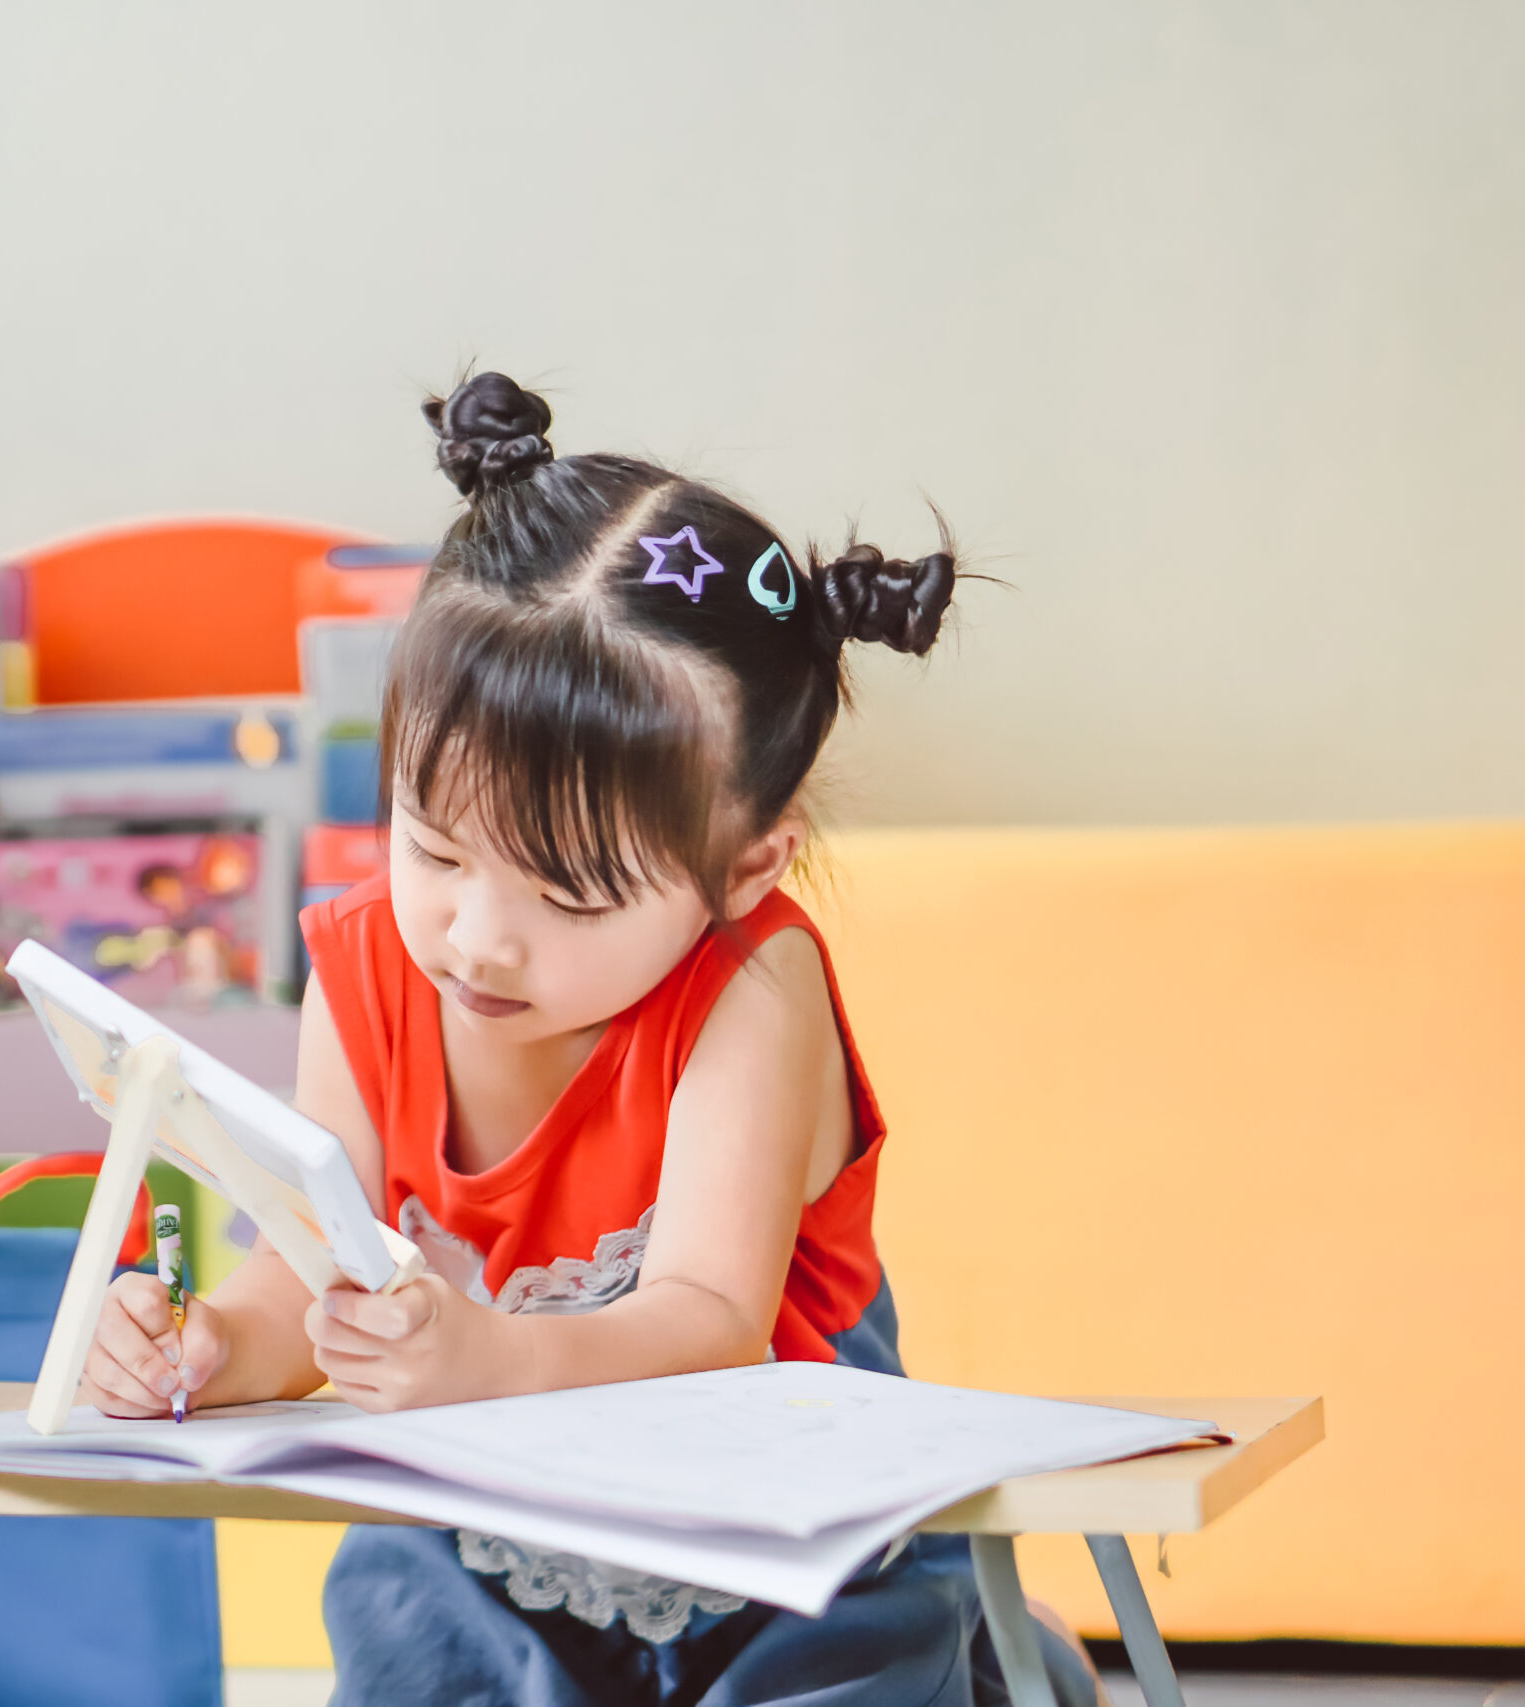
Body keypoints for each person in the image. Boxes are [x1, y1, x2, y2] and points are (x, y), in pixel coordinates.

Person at [78, 372, 1098, 1707]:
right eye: (435, 848)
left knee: (851, 1662)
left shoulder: (756, 982)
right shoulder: (368, 964)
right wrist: (209, 1348)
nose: (478, 939)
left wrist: (486, 1358)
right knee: (397, 1610)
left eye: (570, 894)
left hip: (783, 1541)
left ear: (743, 868)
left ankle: (1010, 1670)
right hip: (499, 1541)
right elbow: (304, 1279)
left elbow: (711, 1318)